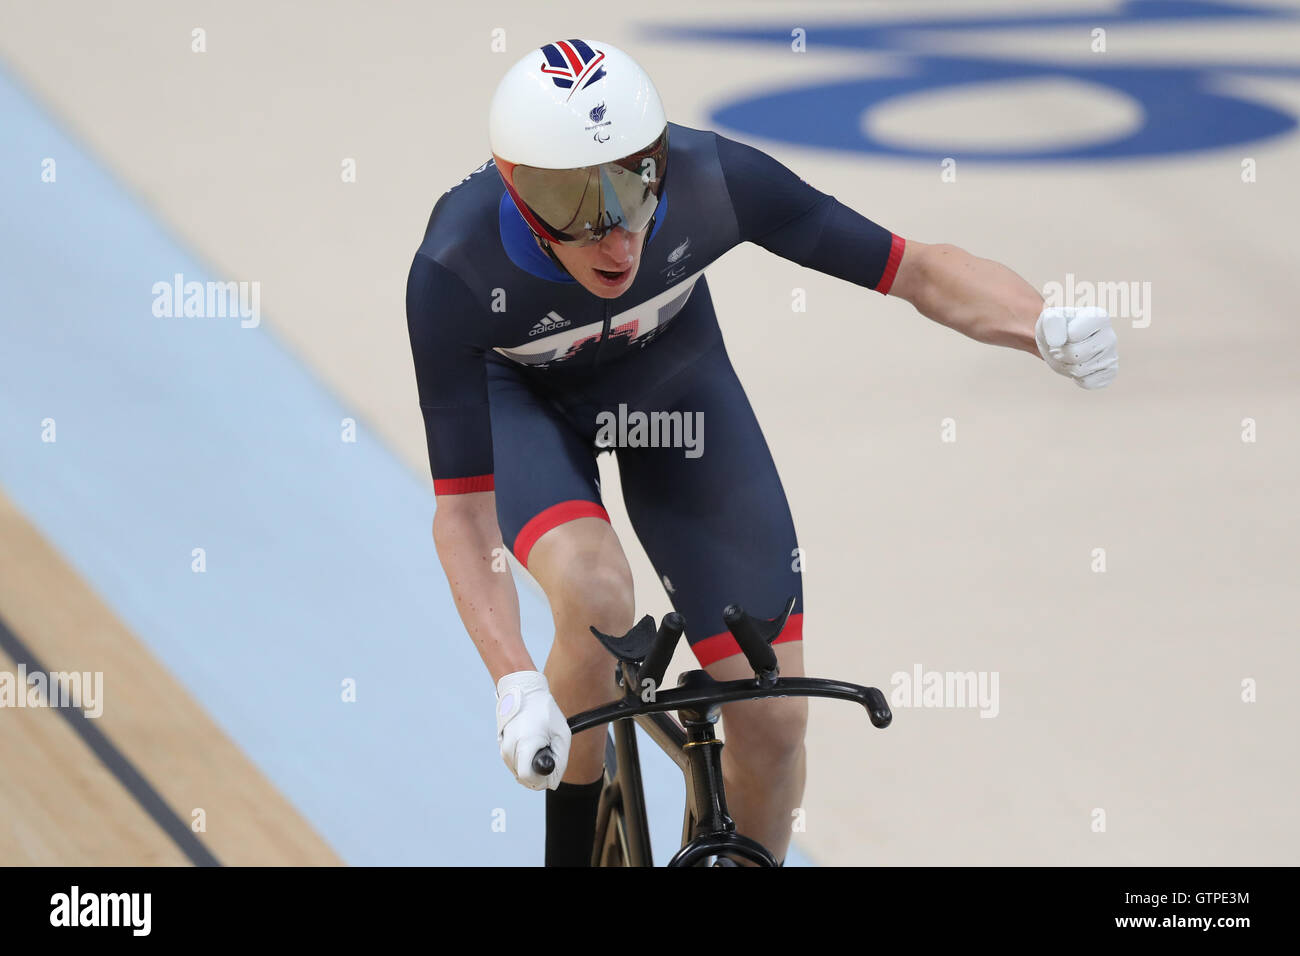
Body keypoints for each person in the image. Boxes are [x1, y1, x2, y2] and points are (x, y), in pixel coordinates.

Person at [405, 38, 1118, 866]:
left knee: (774, 719)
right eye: (579, 209)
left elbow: (915, 267)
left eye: (637, 185)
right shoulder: (455, 268)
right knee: (596, 592)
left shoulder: (718, 179)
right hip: (523, 405)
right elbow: (462, 513)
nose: (617, 239)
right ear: (521, 196)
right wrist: (514, 678)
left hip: (675, 393)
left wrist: (1038, 324)